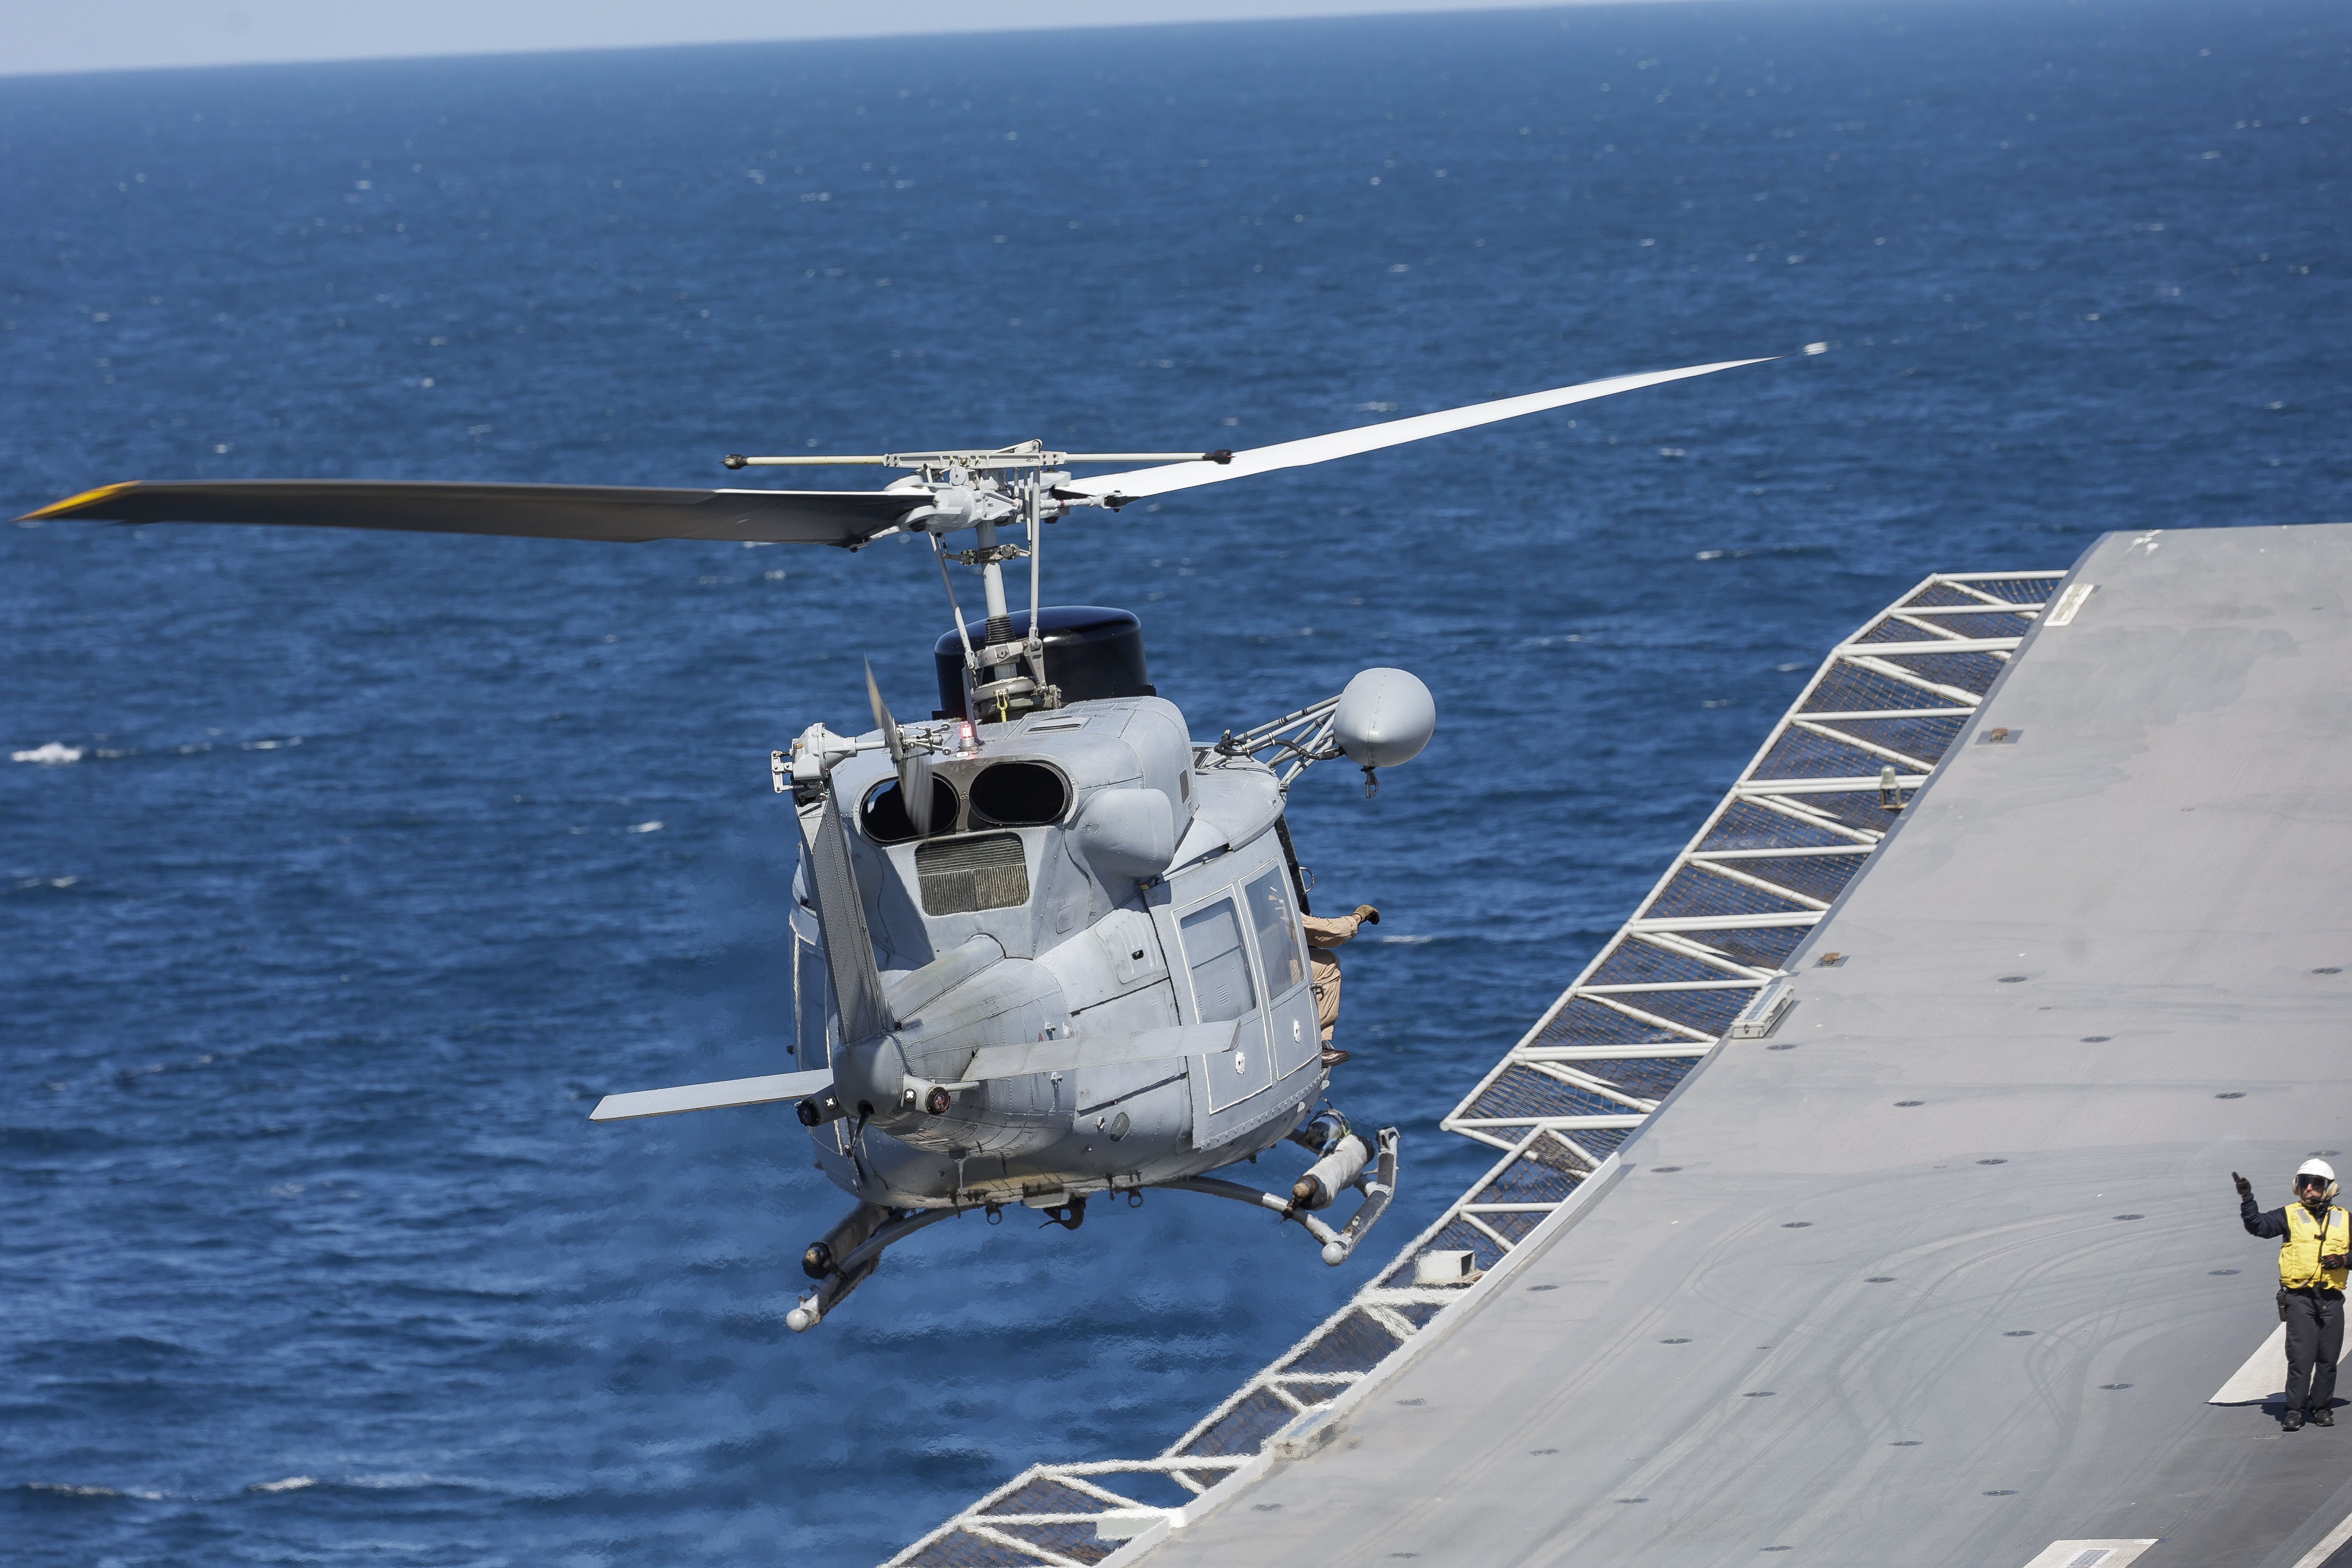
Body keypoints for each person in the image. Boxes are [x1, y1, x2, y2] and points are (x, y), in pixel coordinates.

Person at [2238, 1159, 2351, 1431]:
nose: (2309, 1188)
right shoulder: (2289, 1215)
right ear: (2296, 1187)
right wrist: (2247, 1199)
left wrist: (2345, 1259)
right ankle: (2295, 1411)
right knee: (2301, 1358)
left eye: (2316, 1183)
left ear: (2329, 1188)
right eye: (2304, 1183)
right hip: (2300, 1299)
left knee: (2328, 1357)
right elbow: (2258, 1226)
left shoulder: (2345, 1218)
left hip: (2332, 1299)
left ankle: (2322, 1408)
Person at [1302, 903, 1379, 1068]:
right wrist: (1359, 917)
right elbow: (1330, 932)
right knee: (1329, 964)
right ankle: (1316, 1044)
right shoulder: (1271, 902)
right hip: (1269, 967)